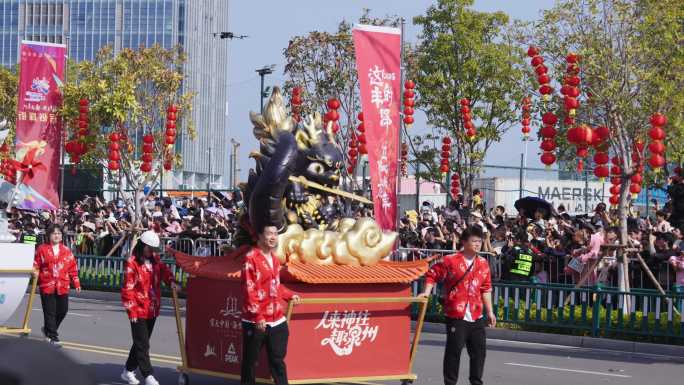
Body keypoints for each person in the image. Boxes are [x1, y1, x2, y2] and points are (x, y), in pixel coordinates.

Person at [418, 226, 495, 385]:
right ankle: (450, 382)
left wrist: (490, 312)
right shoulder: (450, 260)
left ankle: (476, 382)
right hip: (456, 314)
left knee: (479, 353)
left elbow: (486, 288)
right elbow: (432, 274)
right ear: (464, 242)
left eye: (479, 241)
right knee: (454, 352)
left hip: (476, 315)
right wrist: (426, 292)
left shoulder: (483, 263)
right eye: (474, 241)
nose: (477, 244)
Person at [241, 224, 301, 385]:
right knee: (250, 363)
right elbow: (249, 289)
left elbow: (276, 286)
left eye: (275, 234)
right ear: (260, 236)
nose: (273, 237)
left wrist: (289, 295)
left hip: (277, 320)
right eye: (269, 233)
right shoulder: (251, 258)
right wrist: (258, 316)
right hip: (256, 321)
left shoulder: (274, 259)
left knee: (278, 361)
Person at [120, 230, 179, 385]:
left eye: (154, 249)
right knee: (143, 344)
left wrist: (171, 281)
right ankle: (148, 375)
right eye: (149, 249)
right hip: (137, 309)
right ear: (142, 246)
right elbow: (128, 288)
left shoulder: (156, 260)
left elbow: (165, 272)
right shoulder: (132, 262)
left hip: (152, 308)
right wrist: (131, 309)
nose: (152, 252)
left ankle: (128, 370)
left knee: (140, 343)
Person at [33, 224, 81, 346]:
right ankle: (53, 337)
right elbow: (36, 264)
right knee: (49, 312)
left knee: (62, 310)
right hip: (47, 285)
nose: (56, 235)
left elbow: (72, 268)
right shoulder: (42, 249)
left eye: (59, 233)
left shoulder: (66, 250)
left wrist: (76, 282)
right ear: (49, 235)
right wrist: (34, 273)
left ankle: (48, 330)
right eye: (54, 233)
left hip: (62, 285)